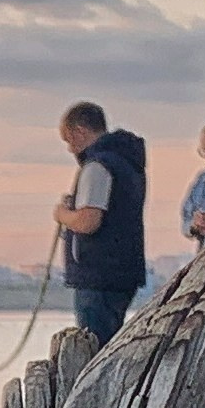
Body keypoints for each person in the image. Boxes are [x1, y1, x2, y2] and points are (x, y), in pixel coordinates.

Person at [54, 99, 148, 342]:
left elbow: (88, 221)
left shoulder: (97, 166)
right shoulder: (127, 163)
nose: (70, 149)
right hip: (121, 271)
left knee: (95, 346)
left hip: (97, 274)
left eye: (69, 140)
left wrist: (63, 215)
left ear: (80, 131)